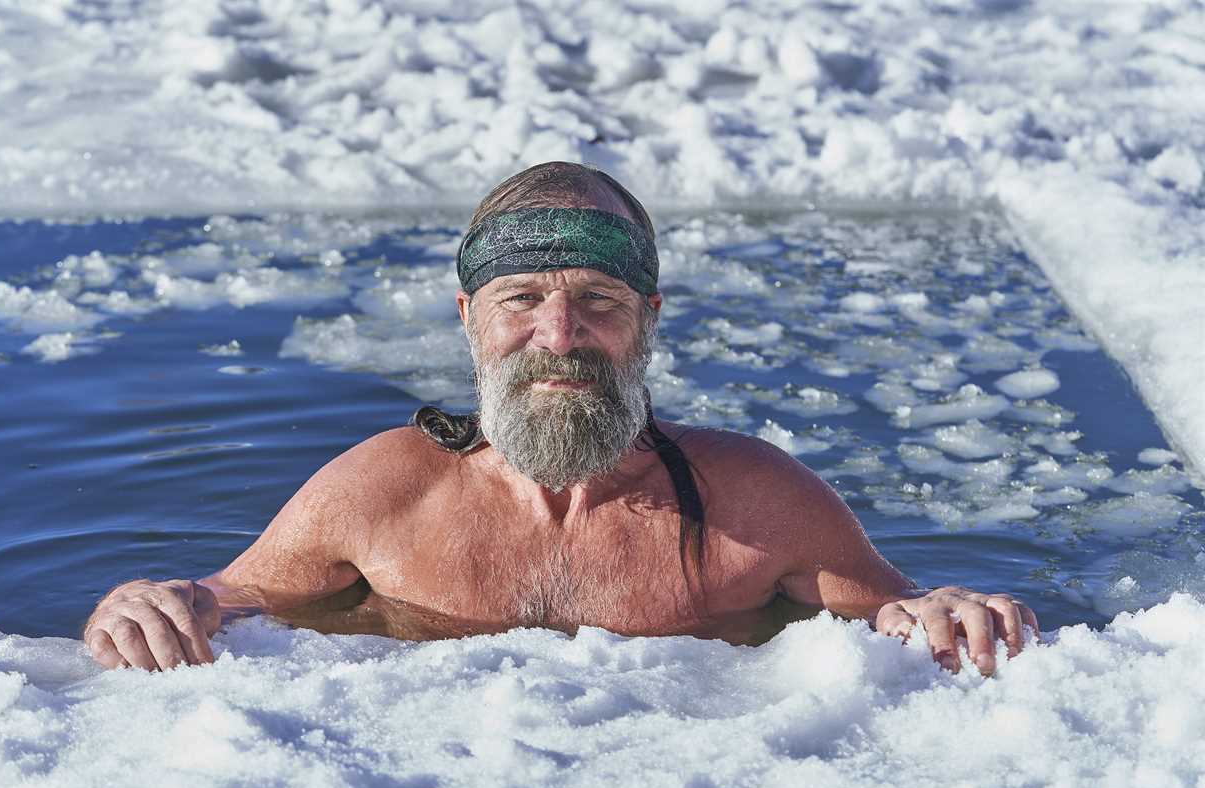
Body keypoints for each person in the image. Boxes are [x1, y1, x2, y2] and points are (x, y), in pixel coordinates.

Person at [84, 161, 1038, 676]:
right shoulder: (383, 491)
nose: (560, 335)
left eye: (600, 301)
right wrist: (144, 602)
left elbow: (901, 612)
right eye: (521, 298)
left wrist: (946, 609)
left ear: (647, 322)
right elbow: (220, 598)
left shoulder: (759, 501)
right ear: (469, 319)